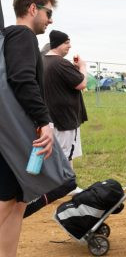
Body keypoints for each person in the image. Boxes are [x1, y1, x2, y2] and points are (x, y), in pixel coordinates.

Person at [0, 0, 57, 257]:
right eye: (49, 13)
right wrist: (43, 121)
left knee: (16, 200)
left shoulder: (12, 38)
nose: (50, 20)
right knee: (6, 202)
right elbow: (23, 79)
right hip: (15, 134)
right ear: (33, 8)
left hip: (14, 134)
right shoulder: (22, 36)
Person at [43, 30, 88, 195]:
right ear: (58, 44)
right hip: (65, 118)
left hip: (49, 117)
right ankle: (68, 186)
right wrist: (82, 67)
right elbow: (81, 83)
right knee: (65, 154)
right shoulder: (60, 63)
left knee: (55, 153)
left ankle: (58, 184)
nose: (70, 46)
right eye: (67, 42)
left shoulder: (42, 61)